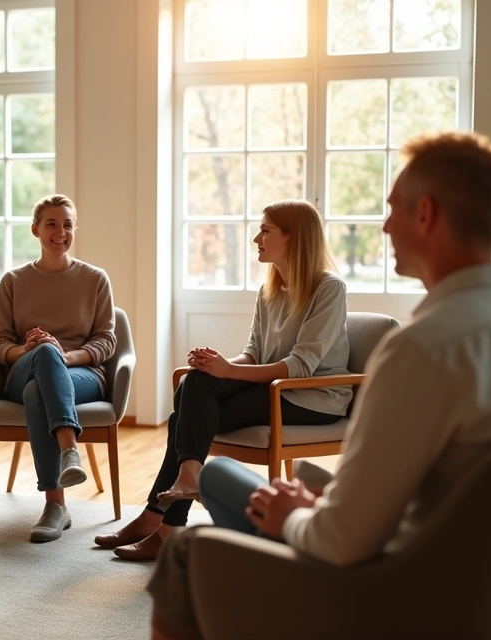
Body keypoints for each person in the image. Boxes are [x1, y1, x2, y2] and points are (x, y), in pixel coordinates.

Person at [147, 131, 491, 639]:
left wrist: (296, 515)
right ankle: (191, 484)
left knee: (186, 555)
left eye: (393, 209)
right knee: (222, 476)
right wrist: (320, 498)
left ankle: (181, 534)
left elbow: (339, 541)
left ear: (425, 214)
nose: (383, 226)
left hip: (399, 593)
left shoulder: (422, 350)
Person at [95, 200, 351, 562]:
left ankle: (160, 519)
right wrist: (218, 364)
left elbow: (301, 366)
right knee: (196, 383)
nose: (256, 238)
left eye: (265, 230)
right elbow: (253, 352)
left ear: (293, 238)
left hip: (311, 397)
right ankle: (176, 497)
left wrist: (229, 372)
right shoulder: (271, 290)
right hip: (274, 389)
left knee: (183, 417)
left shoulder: (329, 288)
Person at [0, 194, 117, 542]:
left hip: (82, 373)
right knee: (43, 357)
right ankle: (69, 451)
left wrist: (64, 355)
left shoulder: (95, 279)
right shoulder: (13, 281)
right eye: (52, 224)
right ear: (35, 230)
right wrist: (25, 349)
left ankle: (55, 505)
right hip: (24, 369)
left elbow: (106, 341)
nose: (61, 232)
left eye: (68, 224)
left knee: (39, 387)